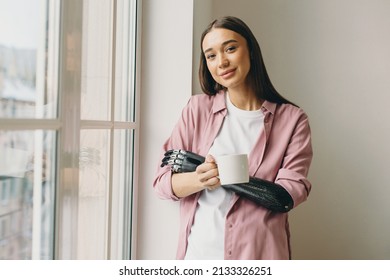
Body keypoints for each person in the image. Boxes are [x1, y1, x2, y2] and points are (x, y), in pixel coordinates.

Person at [153, 16, 313, 260]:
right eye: (211, 55)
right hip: (198, 256)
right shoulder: (197, 109)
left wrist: (226, 176)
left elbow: (287, 195)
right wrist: (199, 178)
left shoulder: (292, 120)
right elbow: (163, 183)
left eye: (230, 48)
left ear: (250, 50)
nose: (222, 62)